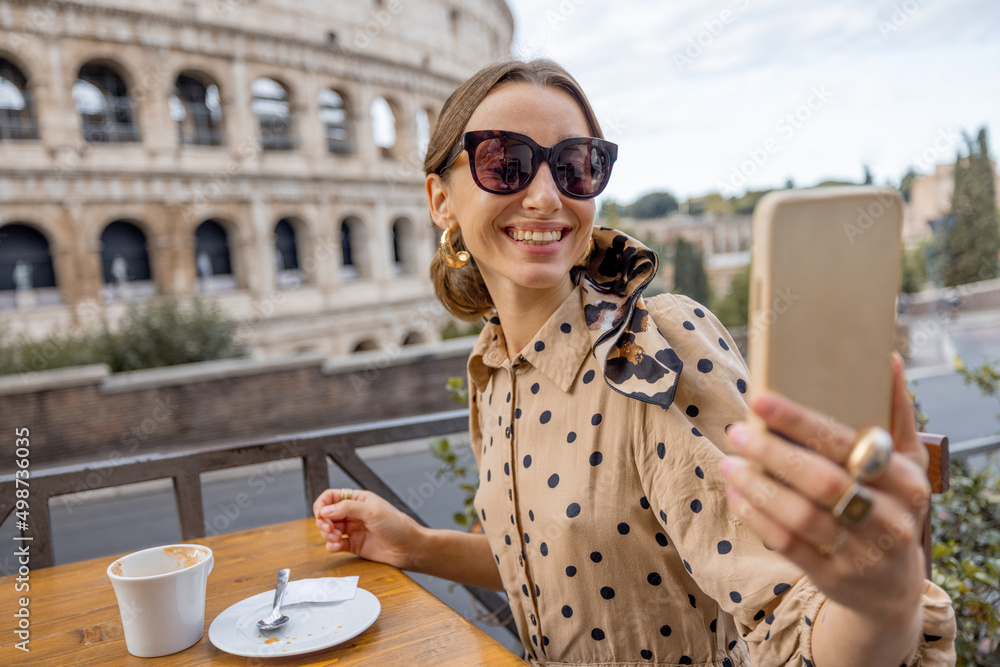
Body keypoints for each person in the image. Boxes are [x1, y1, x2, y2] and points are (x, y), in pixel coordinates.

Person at [314, 58, 956, 666]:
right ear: (440, 200)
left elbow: (795, 610)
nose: (545, 196)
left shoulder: (649, 349)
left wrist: (881, 606)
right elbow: (558, 563)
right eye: (505, 163)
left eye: (575, 166)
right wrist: (414, 545)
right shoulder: (494, 366)